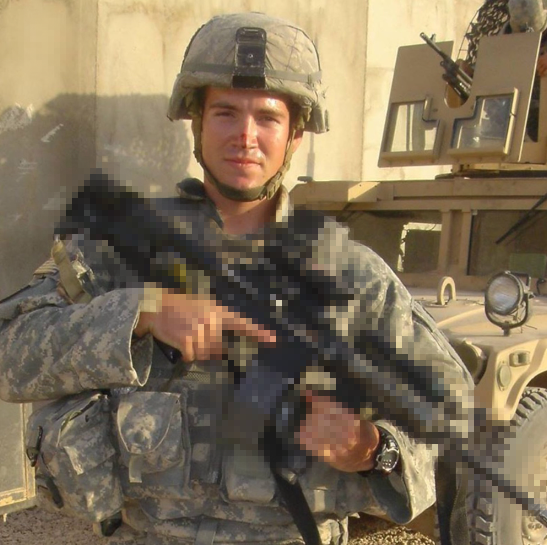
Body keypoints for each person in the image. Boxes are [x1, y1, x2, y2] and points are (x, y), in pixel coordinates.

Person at [0, 12, 473, 545]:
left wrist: (373, 448)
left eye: (267, 118)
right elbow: (9, 351)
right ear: (197, 123)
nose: (245, 136)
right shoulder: (119, 254)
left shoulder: (353, 278)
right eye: (225, 112)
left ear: (294, 136)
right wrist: (141, 315)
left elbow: (452, 412)